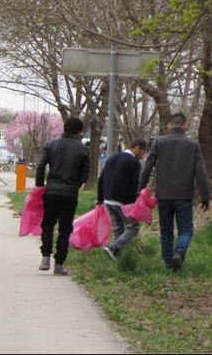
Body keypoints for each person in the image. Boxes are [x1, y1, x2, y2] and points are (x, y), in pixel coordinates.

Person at [139, 112, 212, 271]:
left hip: (163, 195)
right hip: (184, 195)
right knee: (186, 230)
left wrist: (141, 188)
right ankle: (179, 252)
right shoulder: (192, 144)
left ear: (169, 126)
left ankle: (169, 266)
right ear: (185, 125)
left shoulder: (159, 142)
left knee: (166, 231)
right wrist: (205, 197)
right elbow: (201, 172)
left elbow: (147, 167)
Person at [35, 116, 90, 276]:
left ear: (64, 128)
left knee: (48, 224)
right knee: (65, 229)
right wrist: (76, 185)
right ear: (79, 132)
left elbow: (40, 166)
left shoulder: (51, 144)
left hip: (51, 191)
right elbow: (85, 174)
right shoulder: (83, 149)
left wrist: (40, 185)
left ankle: (45, 258)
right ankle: (59, 264)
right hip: (70, 193)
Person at [97, 138, 149, 261]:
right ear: (137, 148)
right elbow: (136, 184)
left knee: (118, 228)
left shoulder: (112, 158)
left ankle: (116, 257)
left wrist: (100, 199)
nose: (142, 156)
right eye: (142, 152)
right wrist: (137, 203)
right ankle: (114, 248)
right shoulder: (133, 162)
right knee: (133, 228)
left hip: (108, 200)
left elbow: (101, 179)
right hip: (122, 202)